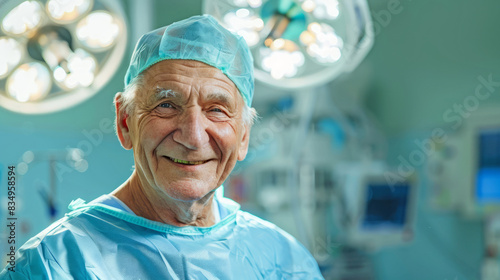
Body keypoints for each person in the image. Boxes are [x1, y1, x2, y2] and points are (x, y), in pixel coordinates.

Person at [0, 15, 323, 279]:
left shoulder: (283, 259)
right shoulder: (55, 264)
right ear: (125, 122)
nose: (194, 136)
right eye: (166, 105)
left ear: (243, 138)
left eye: (217, 109)